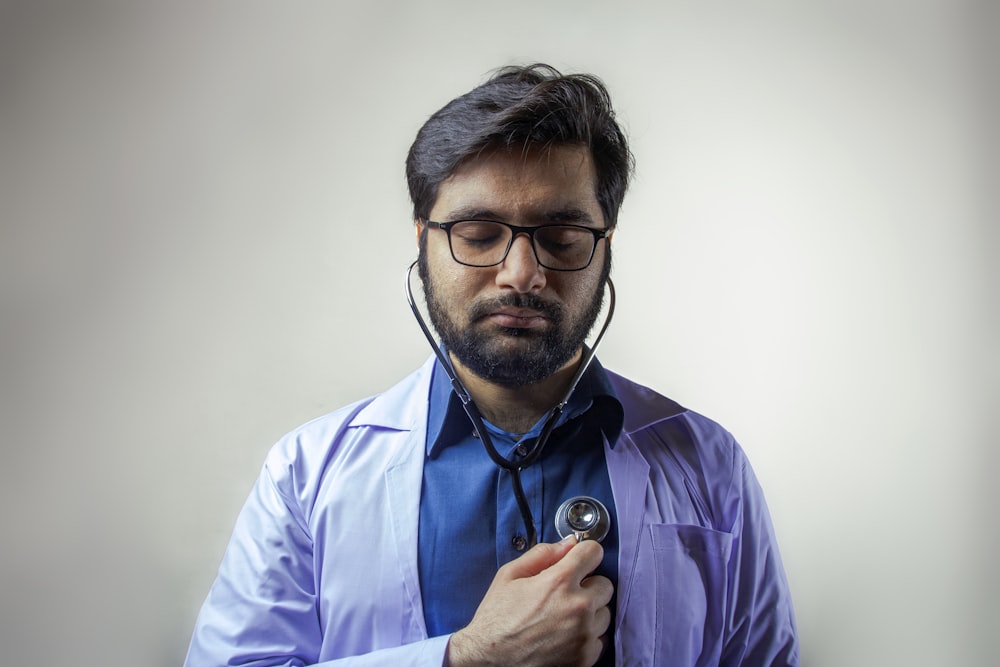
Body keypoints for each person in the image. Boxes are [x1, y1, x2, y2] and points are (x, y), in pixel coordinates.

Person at [184, 64, 799, 667]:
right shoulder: (306, 475)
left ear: (605, 246)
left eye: (561, 237)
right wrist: (466, 659)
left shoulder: (709, 466)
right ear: (422, 239)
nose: (521, 273)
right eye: (478, 234)